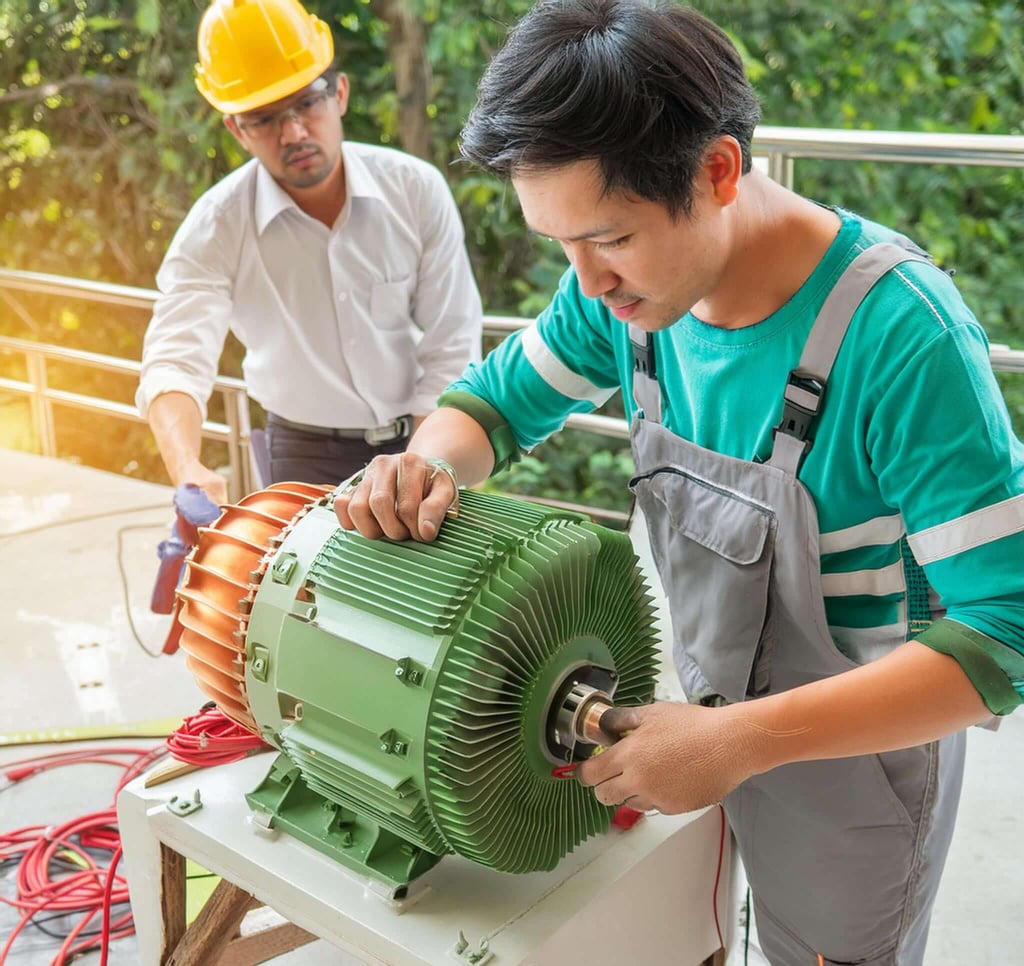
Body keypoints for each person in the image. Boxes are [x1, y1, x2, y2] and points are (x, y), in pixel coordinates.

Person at [334, 1, 1024, 963]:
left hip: (849, 765)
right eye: (561, 244)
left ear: (718, 171)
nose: (588, 279)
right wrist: (424, 467)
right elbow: (491, 406)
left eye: (609, 238)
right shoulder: (623, 294)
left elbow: (1003, 635)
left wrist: (741, 742)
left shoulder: (903, 337)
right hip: (685, 716)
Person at [136, 0, 482, 506]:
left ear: (338, 94)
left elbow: (452, 340)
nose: (293, 132)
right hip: (300, 454)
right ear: (237, 130)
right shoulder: (216, 226)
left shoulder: (414, 190)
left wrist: (423, 462)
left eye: (306, 103)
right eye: (263, 118)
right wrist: (187, 466)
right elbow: (174, 357)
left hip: (422, 437)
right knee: (300, 588)